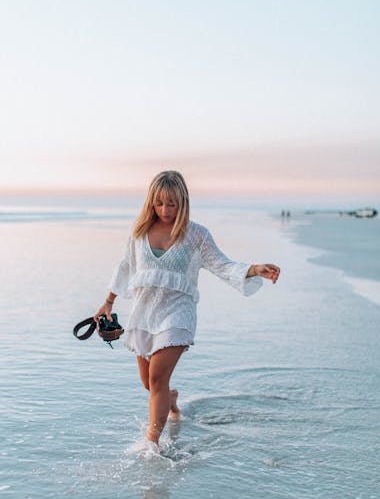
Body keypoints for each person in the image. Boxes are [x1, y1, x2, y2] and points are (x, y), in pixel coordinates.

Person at [94, 171, 280, 448]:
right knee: (150, 384)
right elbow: (125, 266)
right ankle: (171, 401)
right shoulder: (139, 233)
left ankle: (151, 444)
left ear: (183, 202)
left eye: (172, 204)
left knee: (157, 379)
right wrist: (108, 301)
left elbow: (222, 265)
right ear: (151, 203)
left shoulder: (197, 235)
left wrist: (253, 269)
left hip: (178, 312)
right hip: (145, 312)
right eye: (159, 203)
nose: (165, 210)